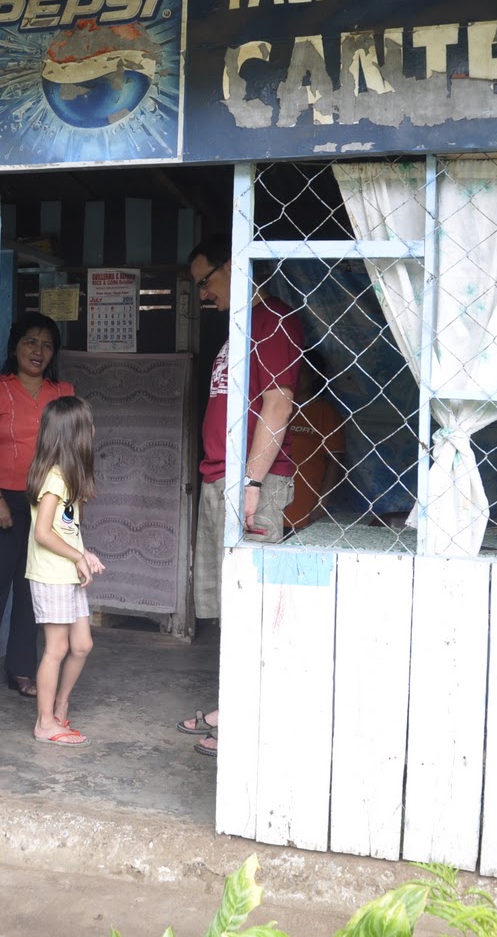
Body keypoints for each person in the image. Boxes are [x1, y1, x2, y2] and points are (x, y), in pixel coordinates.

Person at [178, 235, 304, 758]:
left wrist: (251, 483)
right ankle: (234, 702)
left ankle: (251, 715)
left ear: (233, 267)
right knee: (232, 606)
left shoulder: (271, 319)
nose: (201, 295)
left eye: (205, 281)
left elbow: (277, 404)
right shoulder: (237, 327)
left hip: (250, 485)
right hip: (222, 480)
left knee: (253, 604)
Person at [0, 313, 74, 698]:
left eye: (46, 344)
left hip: (46, 502)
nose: (38, 351)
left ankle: (20, 669)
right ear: (14, 346)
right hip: (3, 501)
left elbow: (73, 449)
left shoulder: (63, 393)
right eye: (30, 341)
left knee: (31, 588)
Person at [25, 395, 104, 747]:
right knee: (56, 649)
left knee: (82, 645)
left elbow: (63, 529)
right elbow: (42, 533)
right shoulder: (54, 479)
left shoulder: (69, 478)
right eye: (88, 425)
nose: (94, 430)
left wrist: (83, 553)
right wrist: (76, 557)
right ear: (74, 435)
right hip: (51, 574)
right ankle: (44, 723)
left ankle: (59, 707)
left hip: (68, 573)